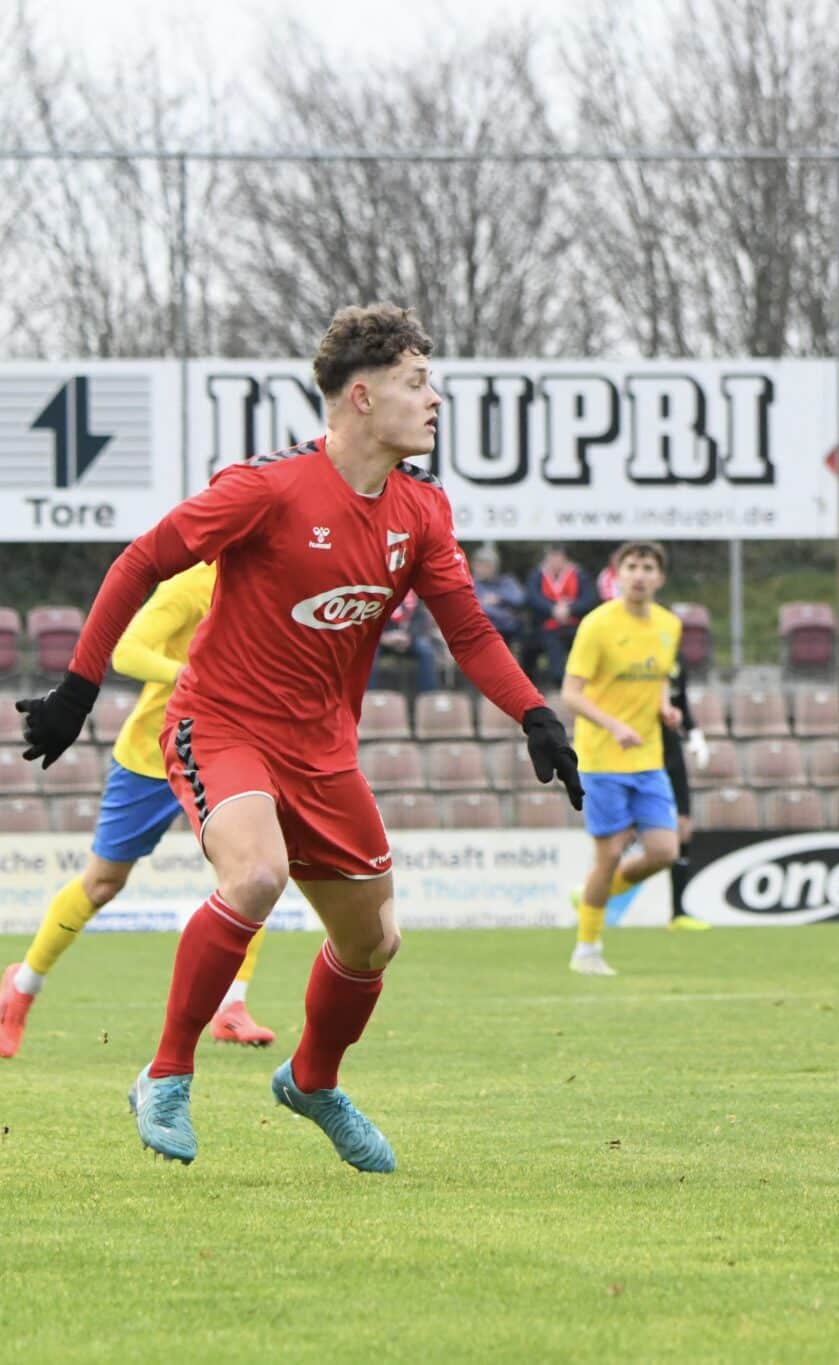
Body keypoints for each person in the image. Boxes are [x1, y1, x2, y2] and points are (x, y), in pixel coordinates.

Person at [13, 303, 581, 1170]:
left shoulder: (422, 511)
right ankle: (166, 1073)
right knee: (257, 875)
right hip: (222, 723)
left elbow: (467, 631)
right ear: (361, 396)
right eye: (416, 383)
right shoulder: (266, 487)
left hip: (322, 749)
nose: (435, 401)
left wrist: (534, 714)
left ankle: (311, 1080)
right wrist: (79, 688)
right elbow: (140, 560)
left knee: (373, 941)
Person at [1, 563, 277, 1058]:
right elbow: (127, 651)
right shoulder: (192, 583)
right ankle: (22, 986)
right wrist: (194, 676)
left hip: (230, 752)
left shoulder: (281, 578)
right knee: (103, 883)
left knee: (252, 870)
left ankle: (232, 1006)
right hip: (152, 753)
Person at [561, 542, 684, 975]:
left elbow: (658, 680)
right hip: (601, 758)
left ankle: (592, 894)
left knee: (664, 851)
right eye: (631, 566)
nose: (639, 575)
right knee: (610, 852)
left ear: (660, 578)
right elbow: (570, 694)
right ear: (618, 574)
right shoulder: (597, 625)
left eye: (648, 567)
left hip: (647, 757)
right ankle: (587, 949)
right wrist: (613, 725)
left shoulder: (670, 625)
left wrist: (665, 708)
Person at [659, 648, 711, 931]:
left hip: (671, 747)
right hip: (638, 748)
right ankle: (593, 895)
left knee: (683, 826)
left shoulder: (675, 658)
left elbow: (681, 701)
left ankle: (677, 912)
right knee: (625, 836)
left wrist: (694, 733)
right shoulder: (633, 654)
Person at [527, 544, 596, 684]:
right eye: (551, 557)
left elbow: (589, 599)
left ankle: (581, 680)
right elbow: (532, 598)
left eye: (558, 557)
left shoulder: (579, 575)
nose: (554, 561)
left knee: (584, 642)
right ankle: (558, 681)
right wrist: (552, 609)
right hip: (547, 624)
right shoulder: (537, 575)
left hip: (575, 623)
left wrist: (570, 609)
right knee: (548, 643)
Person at [374, 590, 440, 695]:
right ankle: (369, 697)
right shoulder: (380, 593)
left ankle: (428, 696)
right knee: (368, 653)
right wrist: (384, 638)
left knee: (426, 651)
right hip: (383, 640)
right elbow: (372, 622)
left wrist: (409, 637)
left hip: (408, 639)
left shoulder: (413, 595)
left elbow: (420, 619)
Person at [468, 543, 527, 655]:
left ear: (495, 567)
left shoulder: (506, 582)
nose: (482, 569)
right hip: (481, 633)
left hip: (507, 632)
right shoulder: (470, 584)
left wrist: (500, 599)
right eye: (479, 565)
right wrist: (504, 613)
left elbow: (520, 600)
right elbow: (478, 610)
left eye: (486, 566)